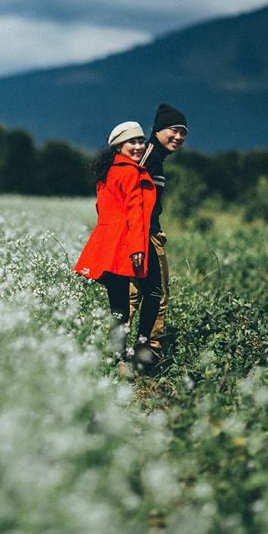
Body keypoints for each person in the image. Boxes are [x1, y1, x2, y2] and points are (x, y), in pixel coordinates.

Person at [74, 121, 157, 370]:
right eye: (132, 142)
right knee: (154, 293)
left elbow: (102, 209)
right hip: (126, 244)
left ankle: (117, 357)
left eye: (141, 141)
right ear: (118, 145)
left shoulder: (107, 171)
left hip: (106, 243)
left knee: (118, 305)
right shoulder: (131, 172)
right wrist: (137, 248)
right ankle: (143, 352)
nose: (138, 146)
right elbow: (135, 212)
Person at [128, 103, 188, 366]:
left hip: (145, 234)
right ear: (159, 129)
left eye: (183, 133)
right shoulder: (147, 155)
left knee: (133, 292)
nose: (178, 137)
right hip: (143, 236)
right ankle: (149, 352)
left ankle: (115, 350)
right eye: (173, 130)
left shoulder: (155, 157)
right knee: (155, 293)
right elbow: (127, 189)